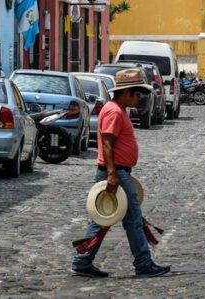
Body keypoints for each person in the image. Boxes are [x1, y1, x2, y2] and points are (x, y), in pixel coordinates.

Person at [71, 68, 171, 279]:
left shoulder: (118, 109)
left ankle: (83, 260)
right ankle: (143, 263)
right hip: (116, 172)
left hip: (118, 171)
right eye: (137, 94)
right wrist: (112, 174)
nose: (139, 99)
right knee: (133, 220)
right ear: (126, 92)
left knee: (103, 220)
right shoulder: (115, 111)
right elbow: (107, 144)